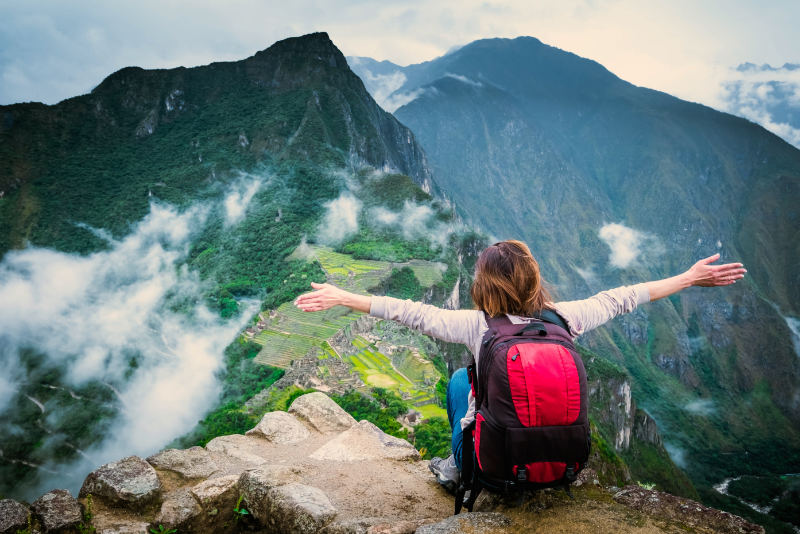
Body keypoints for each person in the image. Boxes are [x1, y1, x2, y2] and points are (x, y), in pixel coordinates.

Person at [294, 240, 746, 492]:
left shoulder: (476, 327)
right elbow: (624, 297)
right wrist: (689, 278)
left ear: (482, 287)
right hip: (564, 466)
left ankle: (457, 469)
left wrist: (344, 297)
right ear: (534, 281)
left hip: (494, 470)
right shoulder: (566, 318)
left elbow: (408, 311)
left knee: (458, 380)